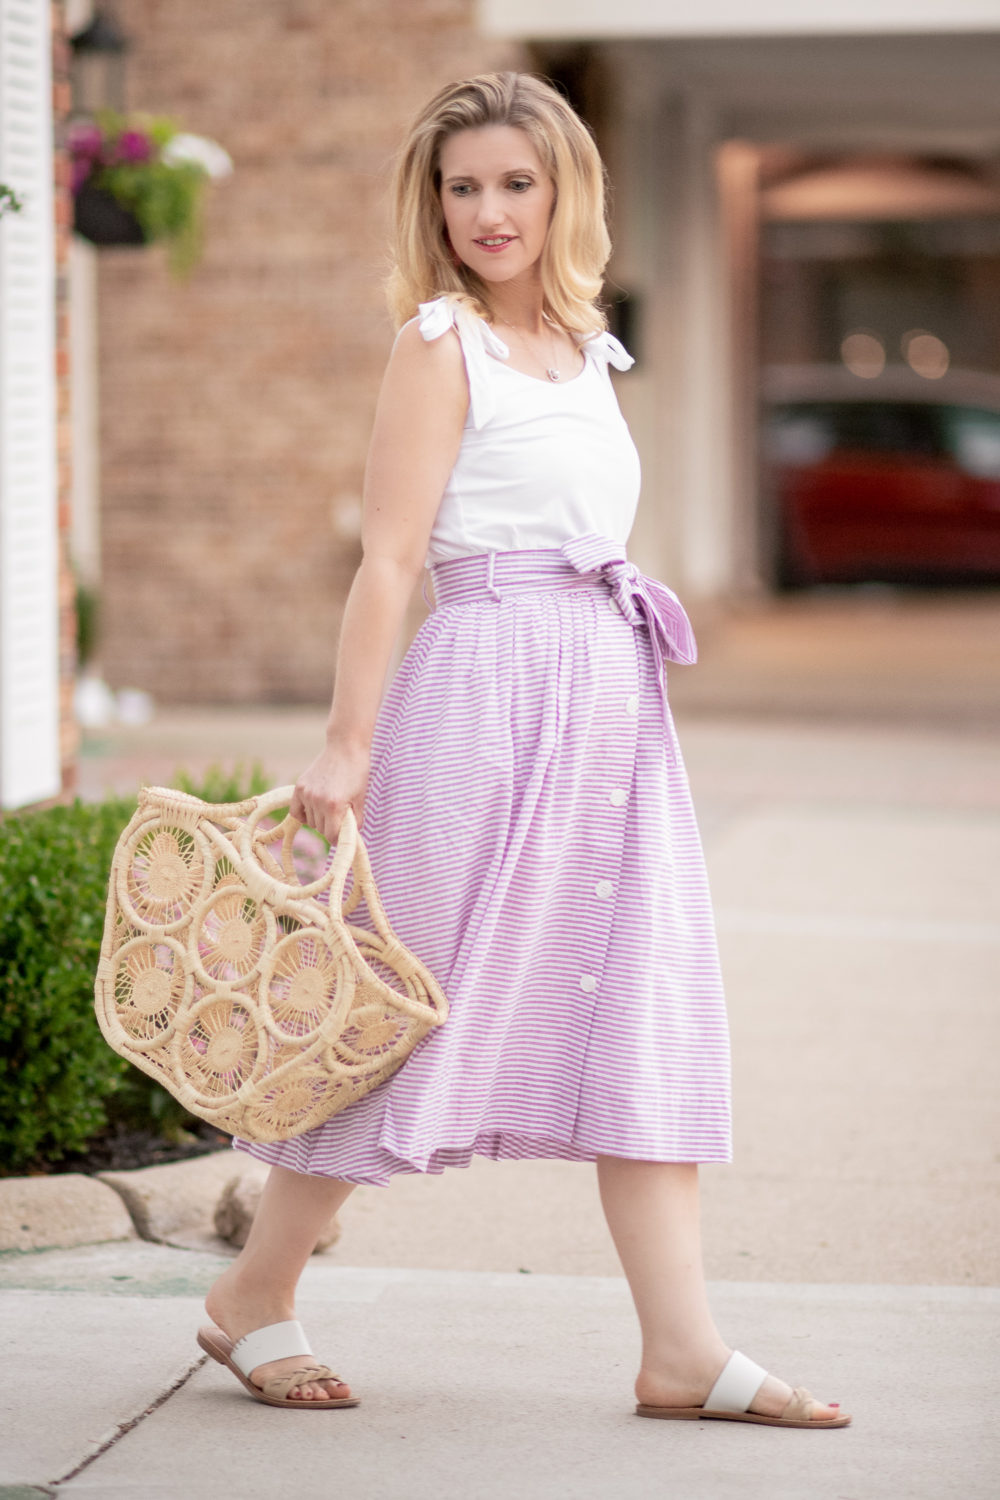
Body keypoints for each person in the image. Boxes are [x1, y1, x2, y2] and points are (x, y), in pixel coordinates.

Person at [199, 71, 850, 1429]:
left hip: (611, 712)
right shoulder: (439, 345)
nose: (488, 210)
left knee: (642, 1014)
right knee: (395, 1012)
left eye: (515, 182)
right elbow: (388, 560)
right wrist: (344, 748)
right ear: (432, 205)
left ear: (564, 193)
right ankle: (255, 1292)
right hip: (482, 703)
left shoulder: (587, 347)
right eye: (463, 186)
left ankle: (680, 1349)